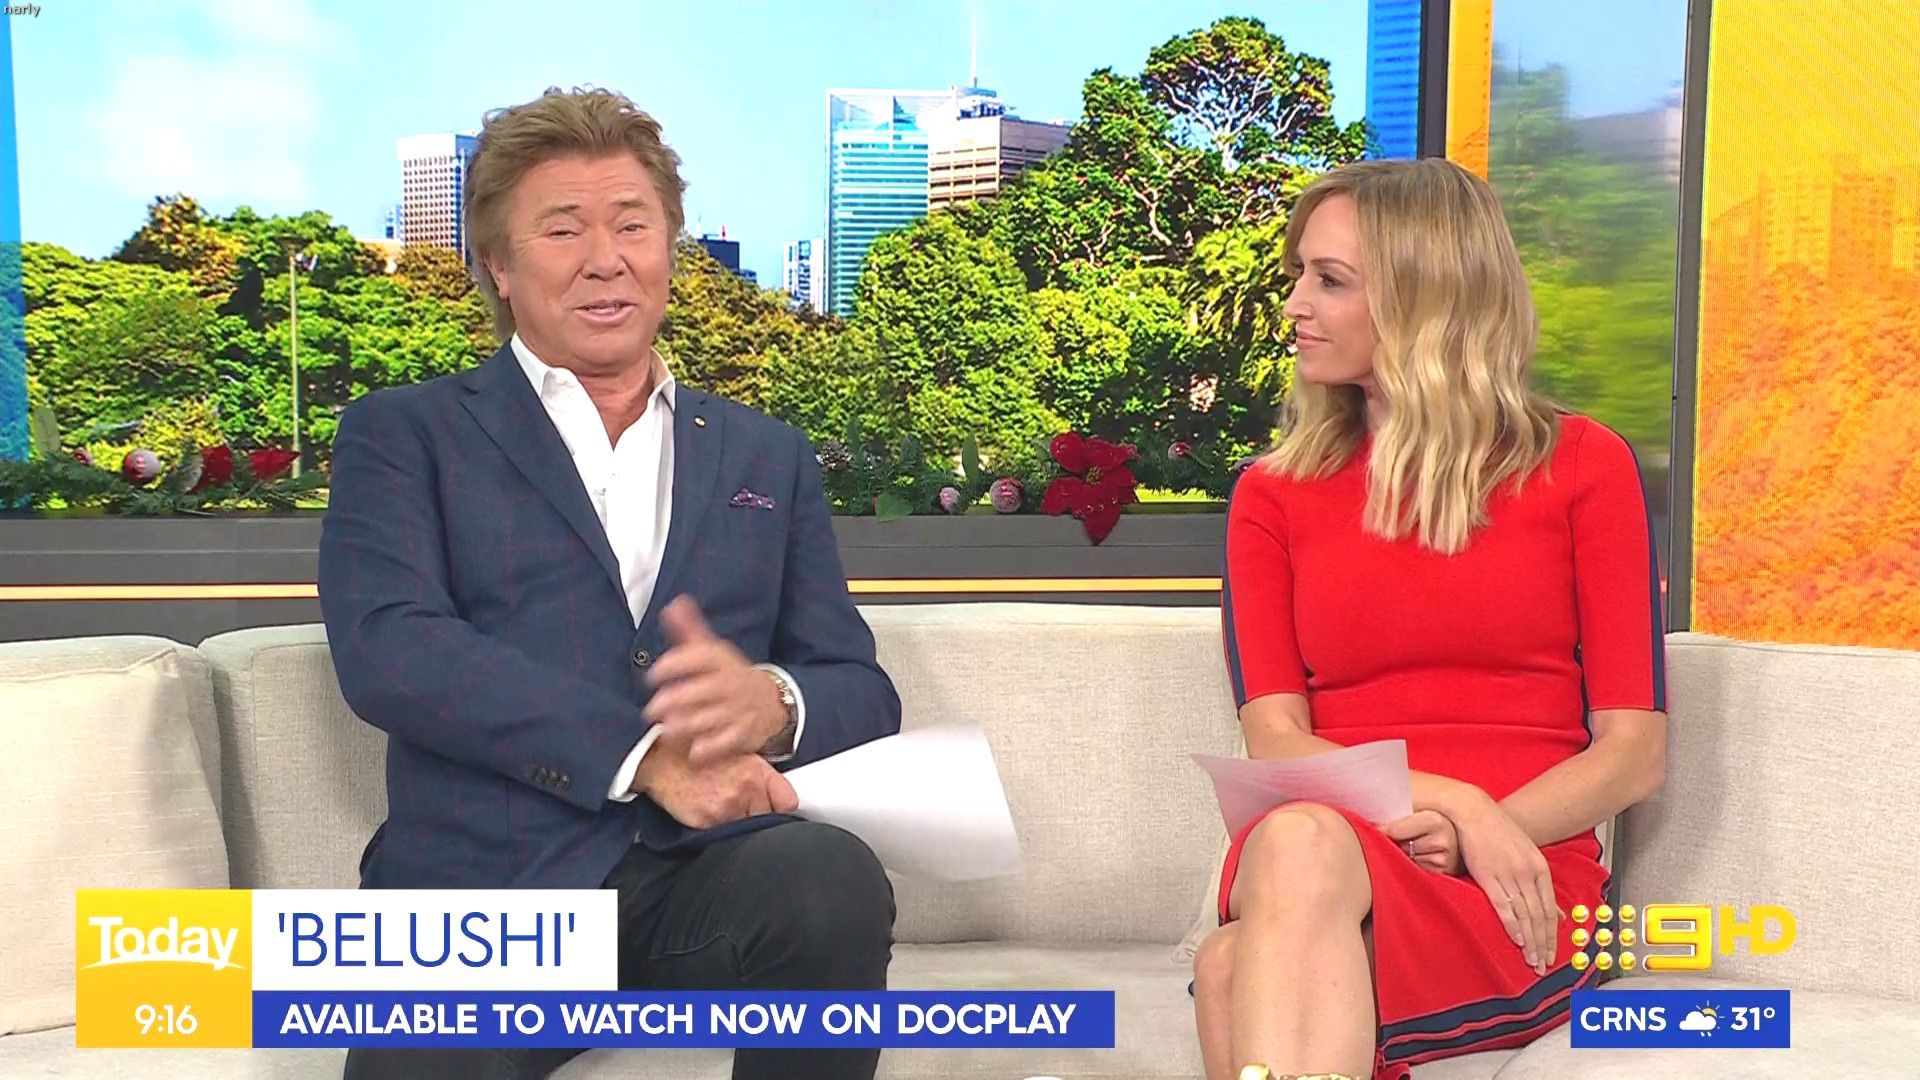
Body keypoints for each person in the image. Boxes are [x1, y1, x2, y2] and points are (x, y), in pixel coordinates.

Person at [317, 87, 901, 1080]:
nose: (605, 258)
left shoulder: (768, 454)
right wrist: (645, 756)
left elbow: (860, 688)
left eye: (632, 225)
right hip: (486, 901)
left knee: (827, 878)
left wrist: (774, 701)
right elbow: (392, 649)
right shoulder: (404, 433)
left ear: (669, 247)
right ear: (499, 266)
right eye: (562, 230)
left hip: (699, 880)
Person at [1192, 158, 1669, 1080]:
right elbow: (1275, 741)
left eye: (1329, 280)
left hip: (1516, 870)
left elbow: (1634, 752)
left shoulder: (1584, 466)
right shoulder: (1270, 496)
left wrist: (1491, 831)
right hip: (1327, 855)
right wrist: (1456, 802)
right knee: (1298, 842)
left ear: (1425, 298)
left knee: (1228, 969)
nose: (1294, 305)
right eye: (1299, 274)